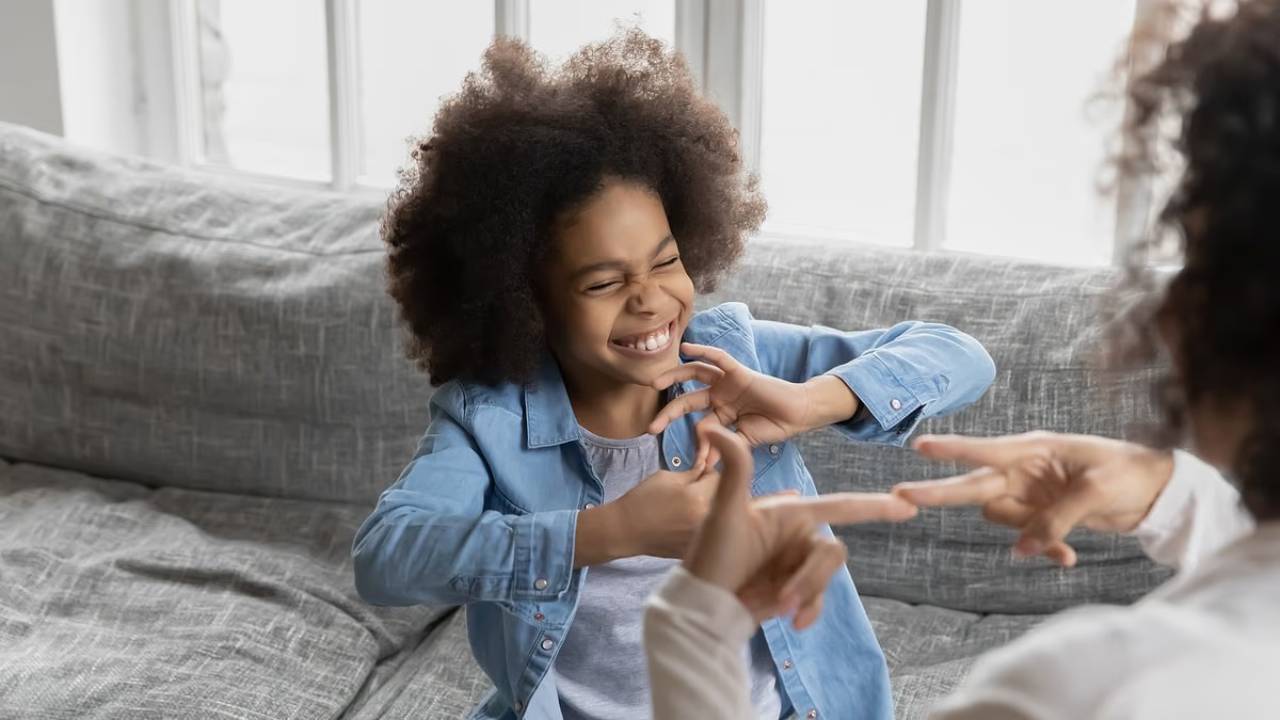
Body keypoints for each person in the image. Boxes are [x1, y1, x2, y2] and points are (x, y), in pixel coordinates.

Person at [642, 1, 1280, 717]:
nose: (1167, 307)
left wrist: (693, 625)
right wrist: (1180, 498)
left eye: (1194, 259)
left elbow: (955, 354)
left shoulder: (1086, 685)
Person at [350, 30, 996, 720]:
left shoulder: (734, 358)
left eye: (665, 262)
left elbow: (958, 355)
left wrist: (812, 402)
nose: (650, 299)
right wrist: (610, 531)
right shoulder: (488, 421)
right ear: (523, 302)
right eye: (604, 283)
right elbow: (386, 557)